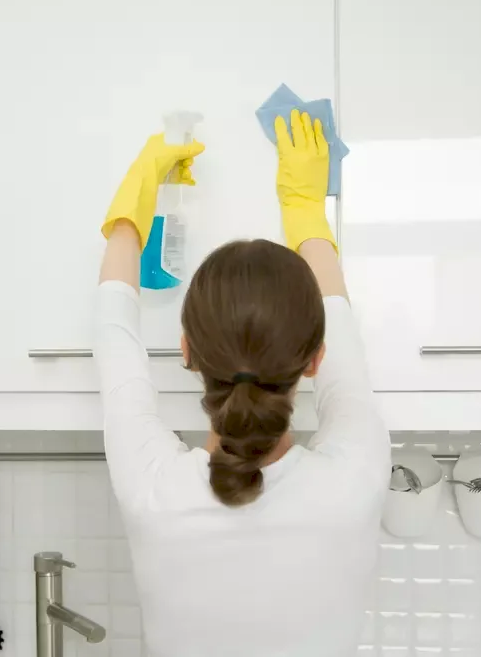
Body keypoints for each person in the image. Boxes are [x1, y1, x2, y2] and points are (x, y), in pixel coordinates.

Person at [93, 109, 390, 657]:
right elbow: (341, 333)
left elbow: (113, 329)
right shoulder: (359, 477)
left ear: (185, 351)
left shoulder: (152, 489)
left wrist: (137, 195)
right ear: (315, 360)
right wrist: (305, 210)